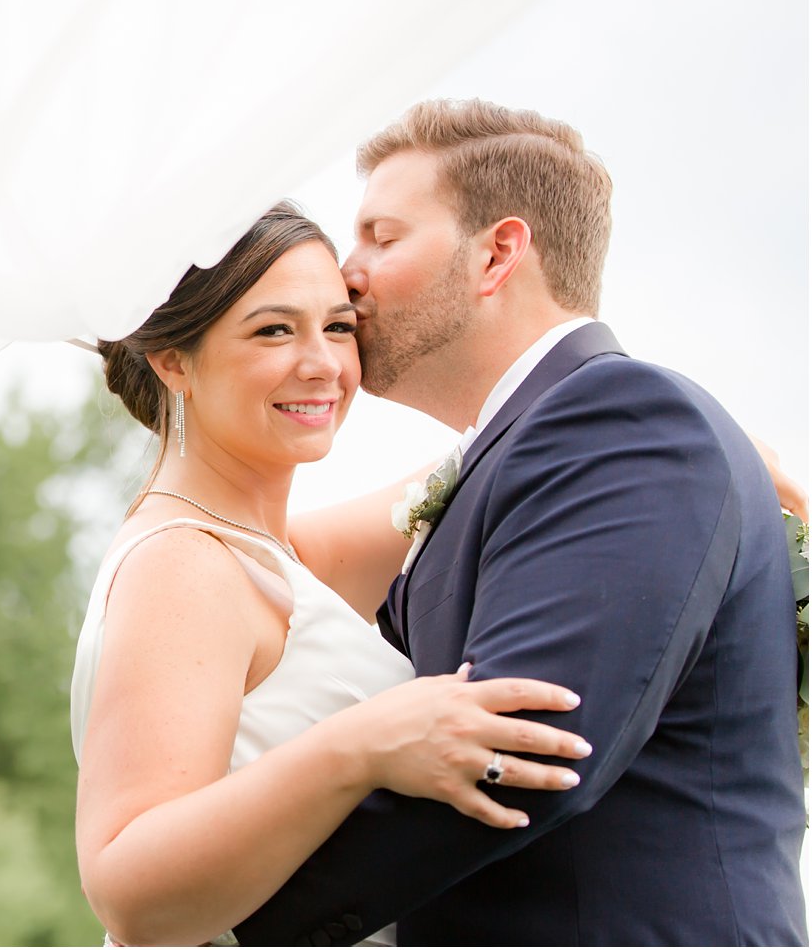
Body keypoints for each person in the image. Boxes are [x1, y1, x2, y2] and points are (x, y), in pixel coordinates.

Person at [232, 100, 806, 945]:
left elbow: (528, 750)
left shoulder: (626, 421)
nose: (346, 276)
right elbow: (271, 563)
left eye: (381, 238)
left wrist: (229, 918)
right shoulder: (518, 458)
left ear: (498, 253)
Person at [71, 201, 596, 947]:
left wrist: (708, 450)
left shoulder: (272, 552)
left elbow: (496, 456)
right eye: (274, 329)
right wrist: (366, 744)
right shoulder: (184, 565)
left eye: (339, 326)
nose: (323, 364)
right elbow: (130, 893)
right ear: (172, 360)